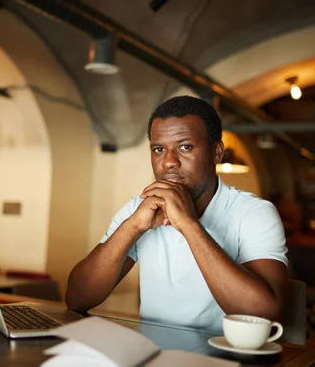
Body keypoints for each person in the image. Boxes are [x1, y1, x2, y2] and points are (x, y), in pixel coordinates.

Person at [66, 96, 289, 331]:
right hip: (155, 359)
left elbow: (266, 316)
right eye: (159, 149)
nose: (169, 162)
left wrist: (189, 224)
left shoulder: (254, 212)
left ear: (216, 152)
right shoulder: (138, 209)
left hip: (227, 362)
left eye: (185, 147)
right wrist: (132, 227)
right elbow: (77, 298)